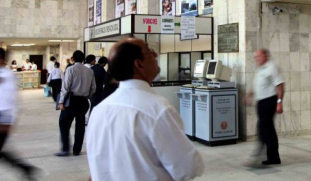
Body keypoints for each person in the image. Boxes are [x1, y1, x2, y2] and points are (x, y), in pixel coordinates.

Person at [87, 38, 204, 181]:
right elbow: (188, 168)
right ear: (139, 64)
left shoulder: (99, 110)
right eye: (149, 51)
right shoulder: (157, 110)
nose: (155, 55)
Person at [0, 48, 38, 179]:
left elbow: (11, 99)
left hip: (4, 118)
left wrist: (10, 120)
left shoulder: (8, 74)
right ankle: (26, 168)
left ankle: (26, 168)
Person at [246, 49, 284, 165]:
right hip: (261, 103)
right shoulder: (260, 69)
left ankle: (263, 154)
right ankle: (272, 157)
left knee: (264, 129)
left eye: (259, 56)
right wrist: (249, 95)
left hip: (269, 101)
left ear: (266, 56)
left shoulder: (272, 67)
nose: (256, 59)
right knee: (266, 129)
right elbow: (258, 86)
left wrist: (279, 102)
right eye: (255, 57)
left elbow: (280, 85)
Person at [56, 50, 96, 157]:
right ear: (83, 59)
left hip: (71, 101)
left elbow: (66, 87)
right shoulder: (89, 71)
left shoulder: (71, 69)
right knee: (80, 126)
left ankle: (65, 149)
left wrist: (61, 101)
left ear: (73, 58)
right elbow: (93, 88)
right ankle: (77, 150)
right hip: (83, 101)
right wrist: (86, 96)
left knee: (63, 124)